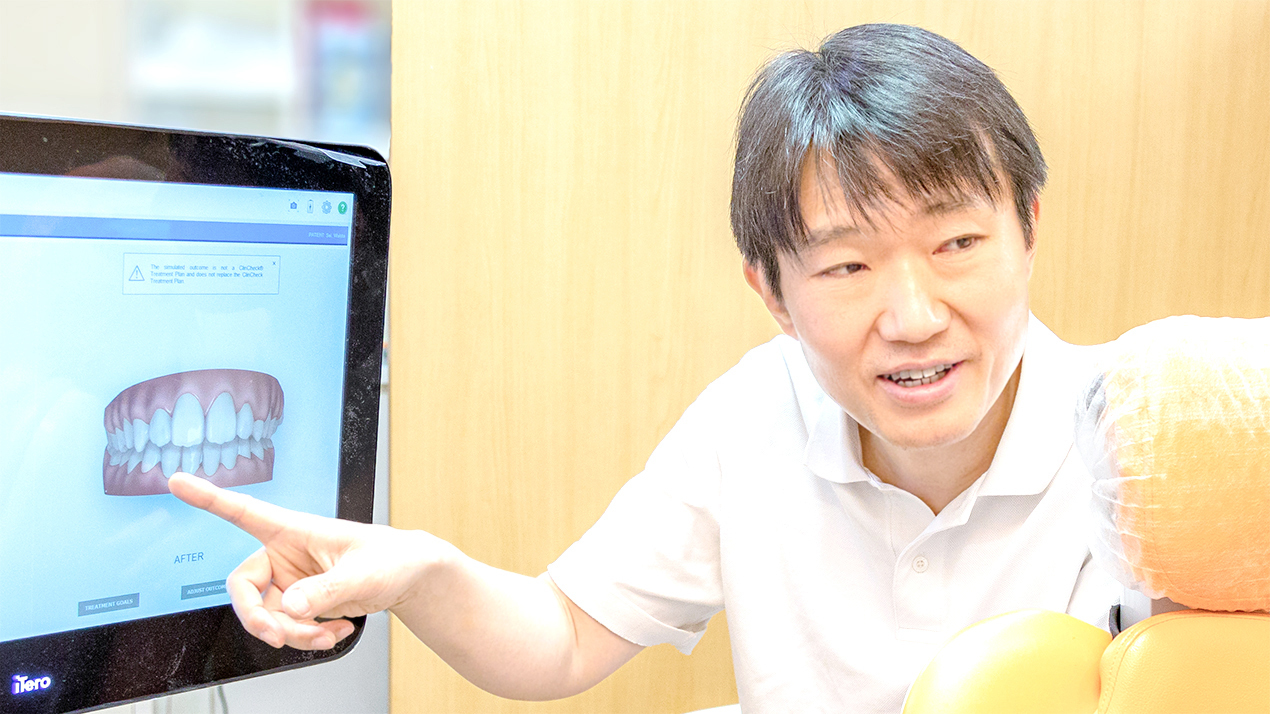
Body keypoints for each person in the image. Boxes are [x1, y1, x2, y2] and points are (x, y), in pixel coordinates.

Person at [169, 23, 1120, 713]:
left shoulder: (1143, 437)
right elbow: (564, 634)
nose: (914, 318)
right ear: (772, 292)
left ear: (1029, 229)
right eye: (847, 267)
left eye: (958, 243)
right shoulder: (756, 415)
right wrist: (422, 575)